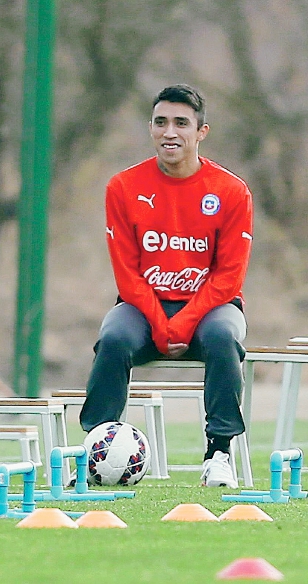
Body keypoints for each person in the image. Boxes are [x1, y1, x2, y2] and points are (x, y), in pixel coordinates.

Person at [80, 84, 253, 487]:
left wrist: (184, 321)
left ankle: (219, 453)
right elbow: (127, 273)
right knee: (113, 339)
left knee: (226, 337)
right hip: (142, 309)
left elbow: (229, 277)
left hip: (211, 309)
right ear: (151, 128)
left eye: (181, 123)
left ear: (201, 132)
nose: (169, 132)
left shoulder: (231, 191)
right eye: (161, 122)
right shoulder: (122, 187)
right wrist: (160, 323)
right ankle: (94, 449)